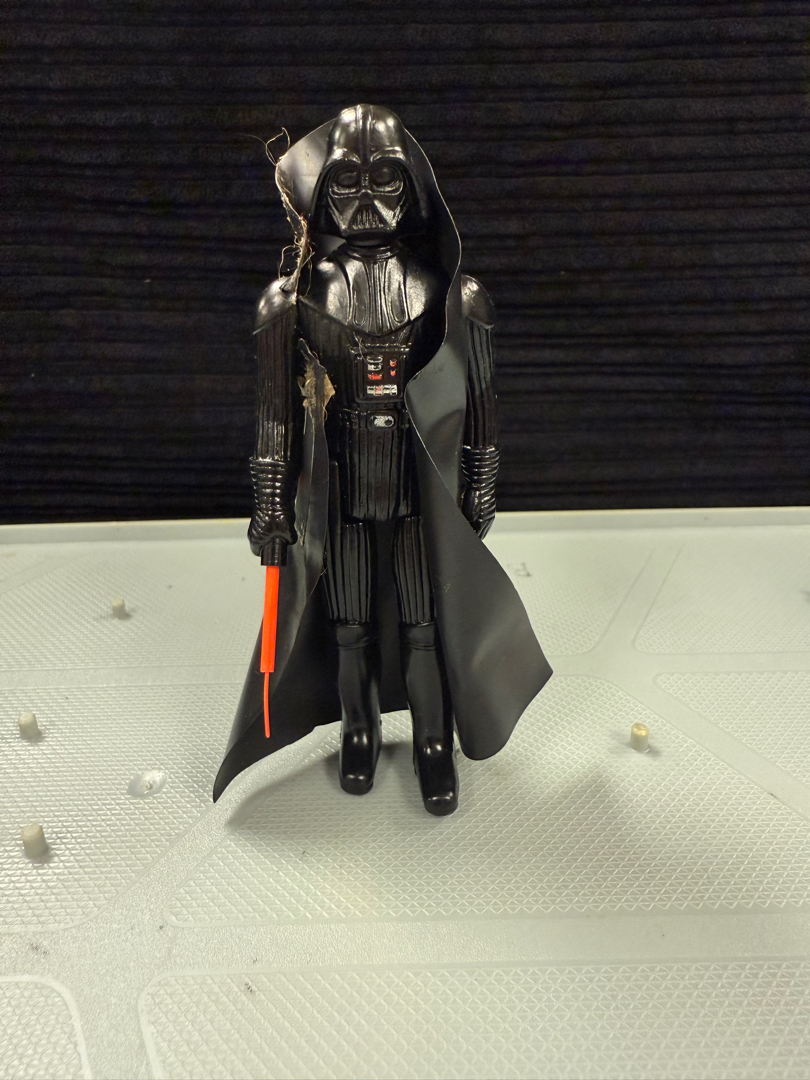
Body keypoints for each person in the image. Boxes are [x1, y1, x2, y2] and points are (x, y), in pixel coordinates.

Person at [213, 105, 551, 816]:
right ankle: (358, 732)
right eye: (346, 183)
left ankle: (432, 742)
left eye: (385, 180)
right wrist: (270, 505)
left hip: (419, 493)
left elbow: (479, 406)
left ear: (414, 188)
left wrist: (481, 486)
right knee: (349, 628)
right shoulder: (294, 300)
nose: (366, 200)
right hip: (341, 493)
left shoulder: (452, 296)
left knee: (426, 628)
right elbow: (276, 416)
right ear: (321, 194)